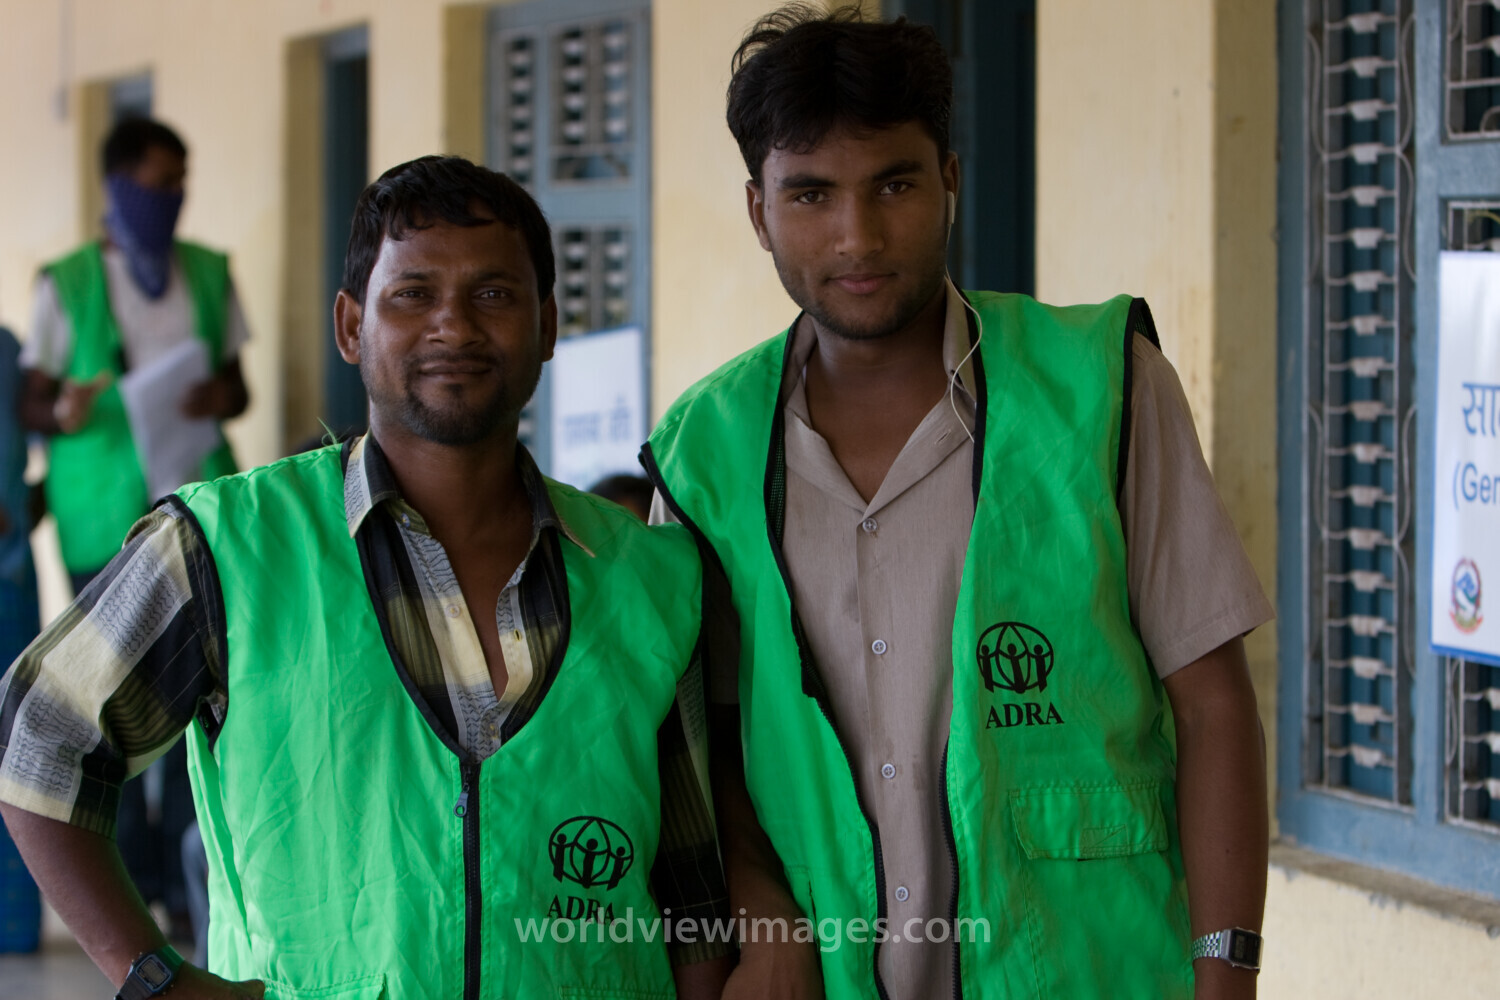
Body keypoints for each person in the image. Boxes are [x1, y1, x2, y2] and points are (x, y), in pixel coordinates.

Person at [643, 6, 1272, 999]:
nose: (858, 234)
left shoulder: (1103, 387)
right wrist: (758, 904)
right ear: (759, 211)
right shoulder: (702, 453)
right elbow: (699, 743)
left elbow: (1214, 702)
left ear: (949, 179)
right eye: (811, 193)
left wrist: (1226, 974)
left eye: (893, 182)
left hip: (1086, 974)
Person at [0, 156, 731, 999]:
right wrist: (153, 977)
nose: (453, 326)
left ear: (548, 325)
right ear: (351, 326)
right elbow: (38, 738)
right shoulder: (226, 544)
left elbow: (691, 885)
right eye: (412, 295)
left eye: (493, 294)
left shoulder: (649, 572)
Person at [15, 115, 250, 945]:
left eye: (181, 178)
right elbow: (31, 397)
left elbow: (237, 386)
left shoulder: (210, 273)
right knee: (111, 700)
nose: (171, 195)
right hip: (99, 515)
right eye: (157, 178)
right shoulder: (67, 283)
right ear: (117, 185)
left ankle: (187, 886)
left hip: (195, 503)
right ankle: (134, 880)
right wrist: (63, 411)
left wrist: (213, 401)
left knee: (197, 695)